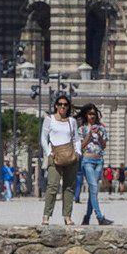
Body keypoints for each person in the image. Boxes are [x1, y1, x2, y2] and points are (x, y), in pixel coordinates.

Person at [37, 94, 80, 226]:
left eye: (65, 105)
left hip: (70, 156)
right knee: (52, 186)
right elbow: (43, 138)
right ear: (56, 105)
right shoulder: (49, 119)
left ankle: (67, 216)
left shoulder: (71, 121)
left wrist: (78, 152)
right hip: (54, 155)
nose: (63, 107)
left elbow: (76, 138)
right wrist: (49, 152)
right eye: (60, 104)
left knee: (69, 187)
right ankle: (46, 216)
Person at [77, 104, 113, 226]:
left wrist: (100, 136)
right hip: (87, 160)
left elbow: (103, 145)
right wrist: (89, 135)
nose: (91, 116)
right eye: (89, 114)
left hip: (99, 161)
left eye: (93, 114)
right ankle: (99, 217)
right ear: (86, 115)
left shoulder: (101, 128)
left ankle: (87, 217)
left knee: (93, 190)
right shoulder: (81, 129)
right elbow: (81, 146)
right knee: (93, 187)